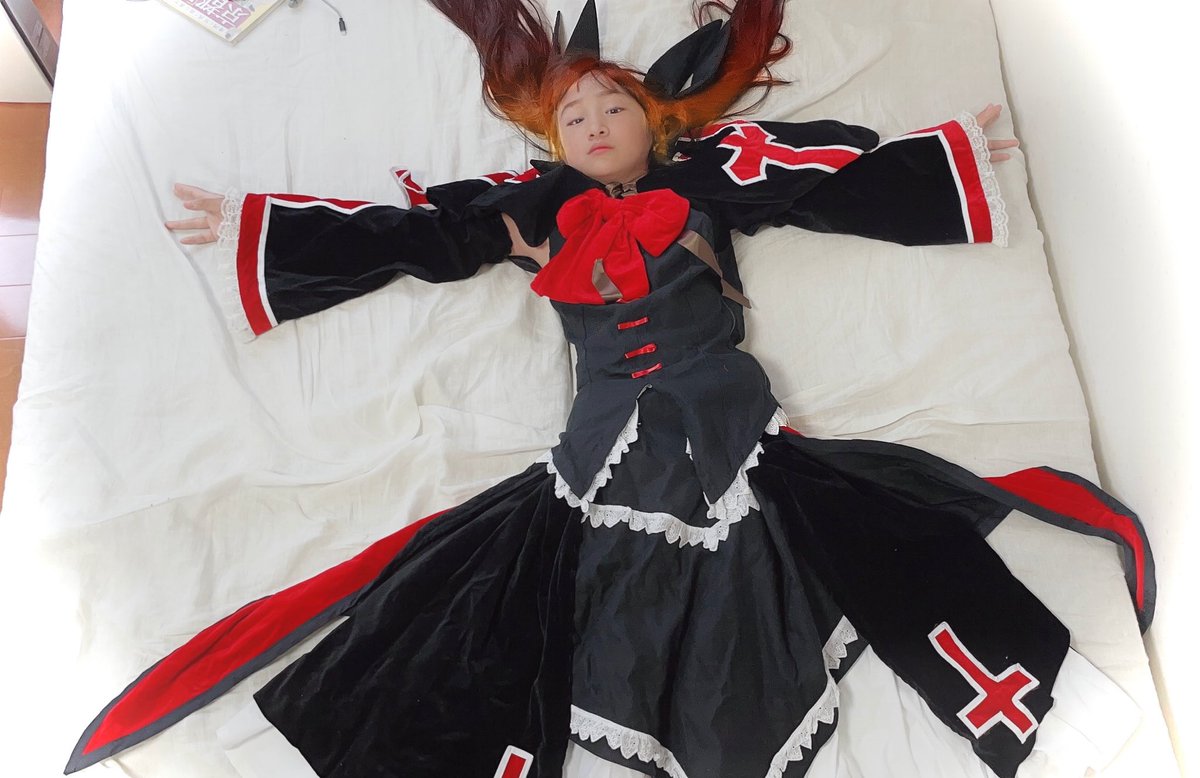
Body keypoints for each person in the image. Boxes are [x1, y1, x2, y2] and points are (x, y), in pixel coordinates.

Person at [68, 2, 1152, 777]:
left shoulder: (709, 180)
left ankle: (1040, 716)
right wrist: (270, 232)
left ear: (653, 120)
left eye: (611, 104)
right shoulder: (536, 210)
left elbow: (821, 186)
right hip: (593, 456)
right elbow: (422, 237)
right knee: (456, 625)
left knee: (892, 565)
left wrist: (944, 163)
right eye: (573, 115)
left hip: (737, 439)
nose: (591, 120)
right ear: (555, 144)